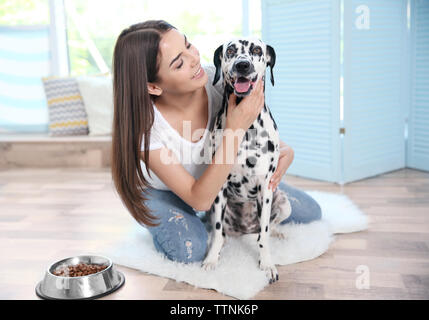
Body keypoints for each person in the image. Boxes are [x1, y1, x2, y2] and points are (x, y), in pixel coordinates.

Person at [111, 20, 321, 264]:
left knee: (310, 212)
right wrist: (235, 129)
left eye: (188, 44)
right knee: (189, 251)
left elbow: (262, 135)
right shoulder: (146, 128)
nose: (194, 58)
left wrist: (285, 151)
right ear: (153, 86)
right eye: (179, 62)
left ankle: (221, 206)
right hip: (166, 191)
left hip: (224, 182)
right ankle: (168, 216)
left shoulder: (222, 80)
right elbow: (201, 199)